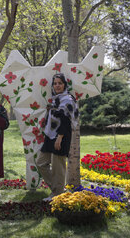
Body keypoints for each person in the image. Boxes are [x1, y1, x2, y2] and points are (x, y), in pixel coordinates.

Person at [36, 73, 78, 202]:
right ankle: (57, 189)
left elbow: (66, 121)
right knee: (41, 163)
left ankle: (57, 195)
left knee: (58, 167)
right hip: (50, 136)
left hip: (62, 136)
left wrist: (59, 138)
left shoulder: (68, 100)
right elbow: (55, 116)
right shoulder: (55, 99)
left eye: (60, 83)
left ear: (65, 84)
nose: (57, 85)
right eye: (55, 83)